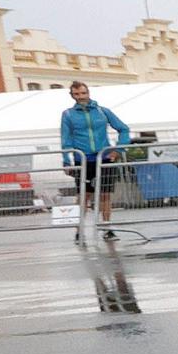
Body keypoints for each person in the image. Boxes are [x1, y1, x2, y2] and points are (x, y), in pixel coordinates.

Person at [59, 81, 133, 239]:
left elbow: (124, 129)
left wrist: (119, 149)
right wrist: (66, 160)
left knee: (105, 194)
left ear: (88, 93)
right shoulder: (68, 114)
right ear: (72, 96)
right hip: (83, 160)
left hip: (104, 158)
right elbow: (66, 139)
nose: (81, 97)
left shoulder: (102, 111)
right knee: (83, 196)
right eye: (77, 94)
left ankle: (107, 228)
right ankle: (79, 230)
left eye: (83, 93)